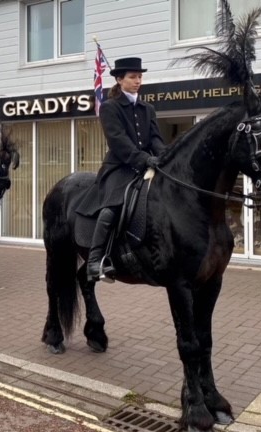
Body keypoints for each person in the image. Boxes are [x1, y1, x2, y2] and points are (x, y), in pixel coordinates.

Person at [86, 57, 165, 283]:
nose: (138, 81)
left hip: (146, 165)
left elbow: (156, 139)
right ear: (120, 80)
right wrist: (144, 159)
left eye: (140, 77)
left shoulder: (147, 108)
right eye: (132, 77)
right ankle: (95, 260)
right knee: (112, 207)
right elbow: (118, 141)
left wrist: (164, 156)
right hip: (119, 167)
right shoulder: (110, 107)